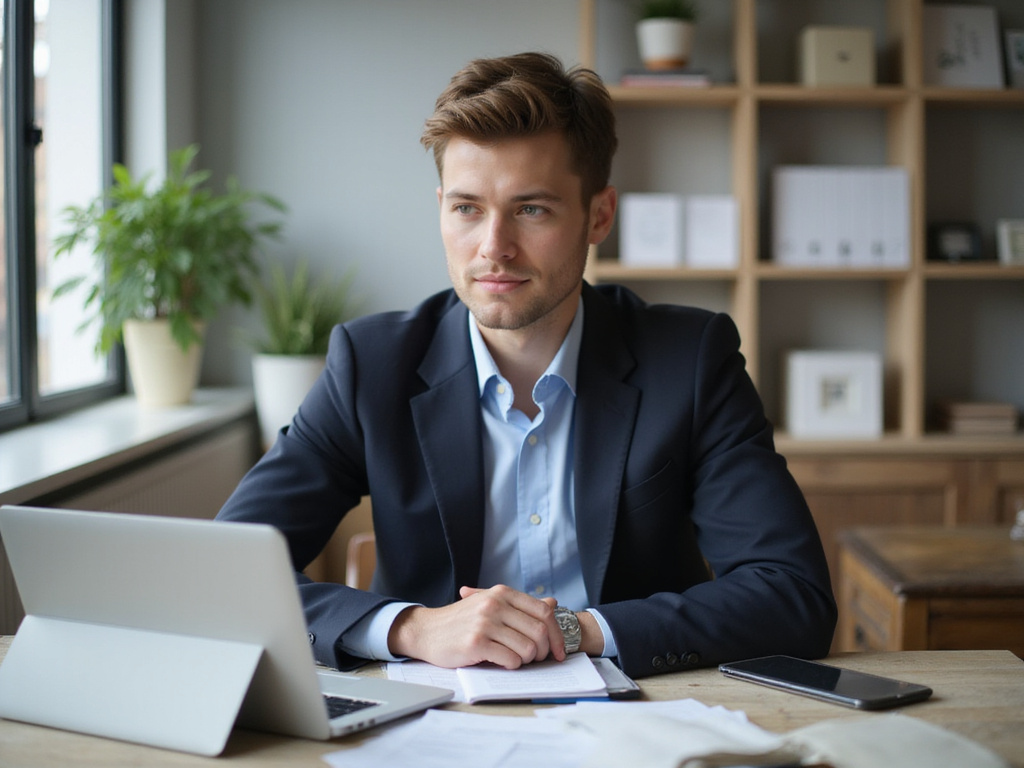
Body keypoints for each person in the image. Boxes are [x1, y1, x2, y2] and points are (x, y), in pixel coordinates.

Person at [217, 51, 836, 679]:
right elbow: (225, 571)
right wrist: (413, 628)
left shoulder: (691, 360)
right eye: (467, 208)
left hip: (639, 706)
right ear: (441, 207)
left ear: (598, 215)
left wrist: (570, 630)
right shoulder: (370, 365)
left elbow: (792, 593)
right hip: (429, 711)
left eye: (531, 209)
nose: (494, 248)